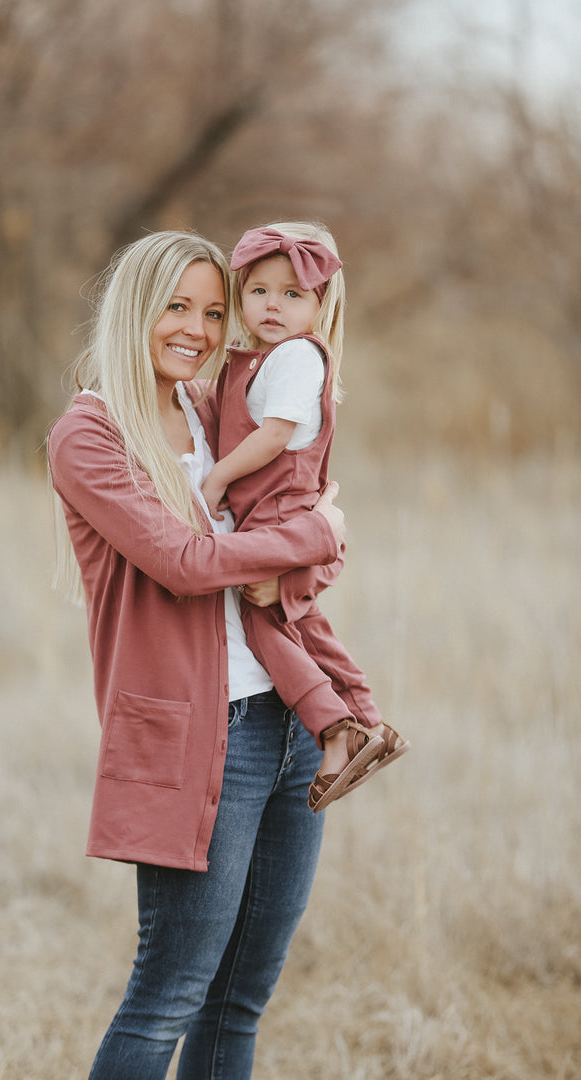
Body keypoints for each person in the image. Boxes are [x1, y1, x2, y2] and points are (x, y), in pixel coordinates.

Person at [47, 230, 349, 1080]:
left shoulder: (207, 406)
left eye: (216, 311)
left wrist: (317, 540)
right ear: (134, 308)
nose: (200, 328)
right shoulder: (91, 432)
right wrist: (316, 531)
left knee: (240, 995)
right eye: (176, 307)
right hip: (202, 731)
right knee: (171, 993)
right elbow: (183, 564)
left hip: (285, 719)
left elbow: (295, 528)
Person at [201, 222, 410, 811]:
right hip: (275, 516)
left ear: (321, 305)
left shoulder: (296, 356)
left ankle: (336, 728)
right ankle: (365, 717)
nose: (273, 304)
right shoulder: (262, 360)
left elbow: (273, 438)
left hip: (281, 515)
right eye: (260, 290)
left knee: (263, 621)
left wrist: (216, 478)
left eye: (293, 294)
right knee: (302, 621)